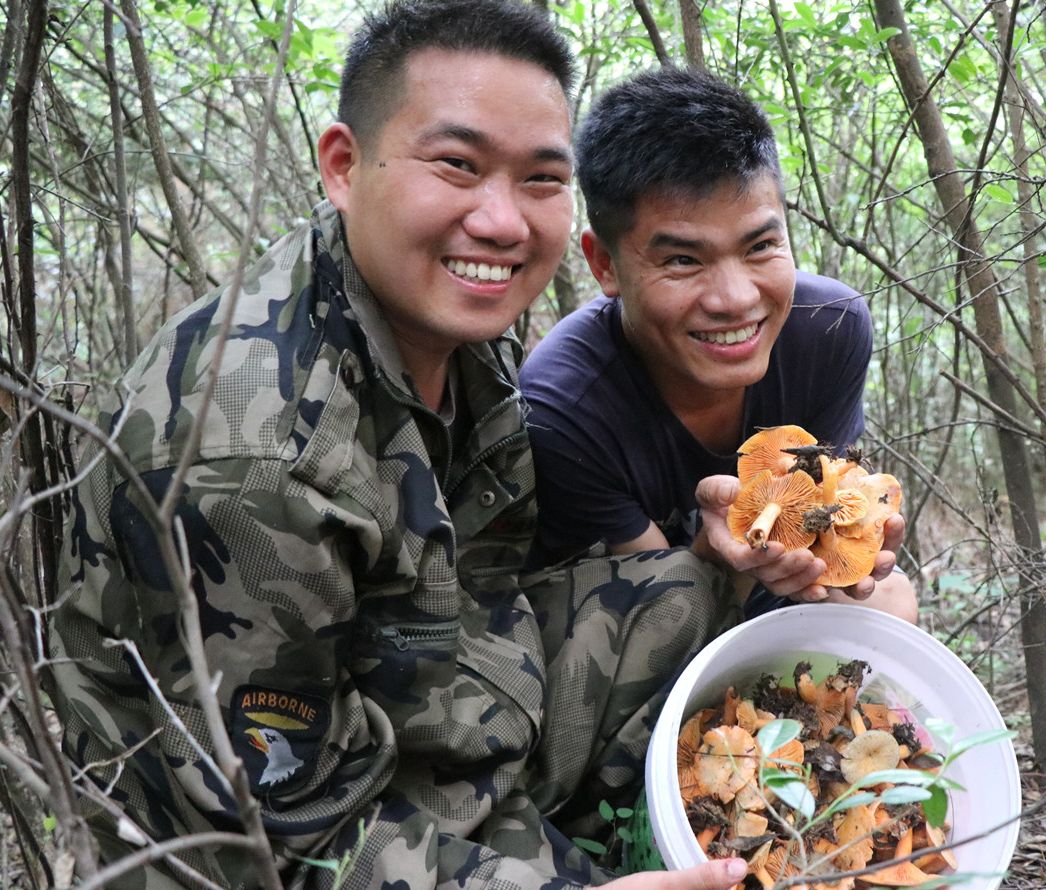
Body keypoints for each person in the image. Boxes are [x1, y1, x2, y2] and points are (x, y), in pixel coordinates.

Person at [48, 4, 749, 888]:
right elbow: (290, 839)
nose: (502, 222)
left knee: (696, 590)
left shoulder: (444, 322)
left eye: (540, 178)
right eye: (457, 165)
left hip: (428, 704)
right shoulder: (255, 458)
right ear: (345, 166)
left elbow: (490, 580)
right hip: (261, 834)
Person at [521, 68, 917, 623]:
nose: (735, 299)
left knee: (892, 600)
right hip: (630, 624)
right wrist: (719, 549)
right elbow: (658, 631)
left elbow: (821, 508)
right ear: (604, 264)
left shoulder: (829, 327)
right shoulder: (563, 409)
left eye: (760, 245)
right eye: (683, 260)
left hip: (774, 590)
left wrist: (842, 554)